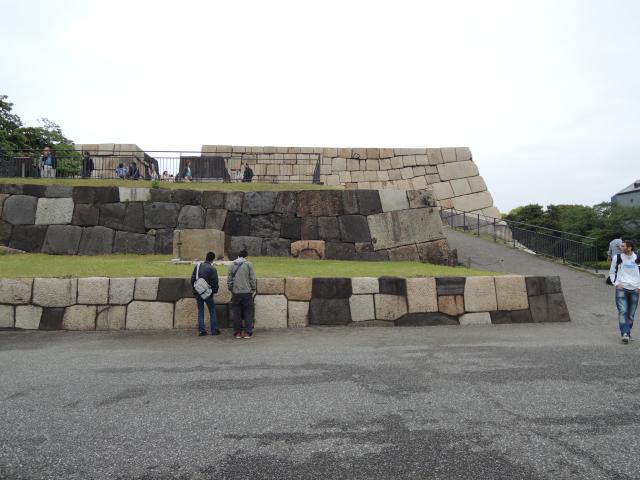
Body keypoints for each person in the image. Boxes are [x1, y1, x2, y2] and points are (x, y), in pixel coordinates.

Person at [609, 240, 640, 343]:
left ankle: (627, 332)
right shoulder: (617, 258)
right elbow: (612, 272)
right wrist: (616, 284)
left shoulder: (638, 258)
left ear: (629, 248)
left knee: (631, 314)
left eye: (623, 246)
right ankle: (625, 333)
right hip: (622, 289)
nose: (620, 247)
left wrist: (639, 287)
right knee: (623, 311)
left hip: (635, 289)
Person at [227, 249, 257, 339]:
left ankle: (238, 333)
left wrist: (231, 288)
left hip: (236, 293)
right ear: (246, 257)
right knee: (248, 313)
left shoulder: (232, 264)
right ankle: (247, 332)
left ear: (238, 256)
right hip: (247, 293)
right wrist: (253, 288)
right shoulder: (249, 264)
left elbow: (229, 279)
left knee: (237, 313)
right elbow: (252, 278)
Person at [191, 251, 221, 336]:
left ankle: (202, 330)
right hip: (208, 293)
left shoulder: (198, 266)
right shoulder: (212, 269)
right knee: (212, 310)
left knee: (200, 310)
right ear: (213, 259)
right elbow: (215, 282)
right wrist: (213, 291)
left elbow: (192, 279)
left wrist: (195, 290)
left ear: (206, 257)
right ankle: (214, 330)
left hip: (198, 292)